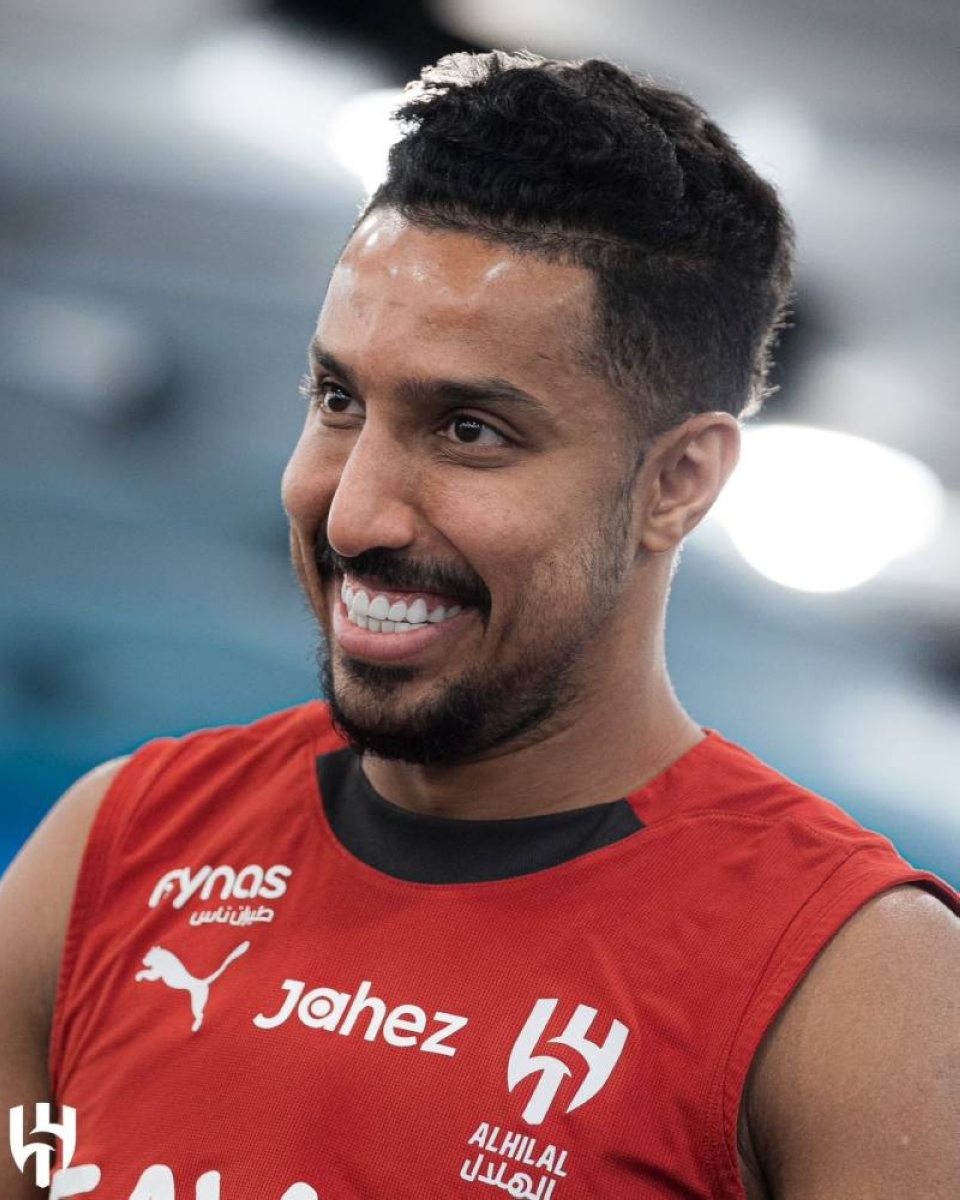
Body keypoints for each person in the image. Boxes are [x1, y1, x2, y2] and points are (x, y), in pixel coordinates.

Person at [1, 49, 957, 1200]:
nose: (353, 513)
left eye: (469, 431)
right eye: (338, 400)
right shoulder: (112, 851)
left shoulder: (853, 985)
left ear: (678, 483)